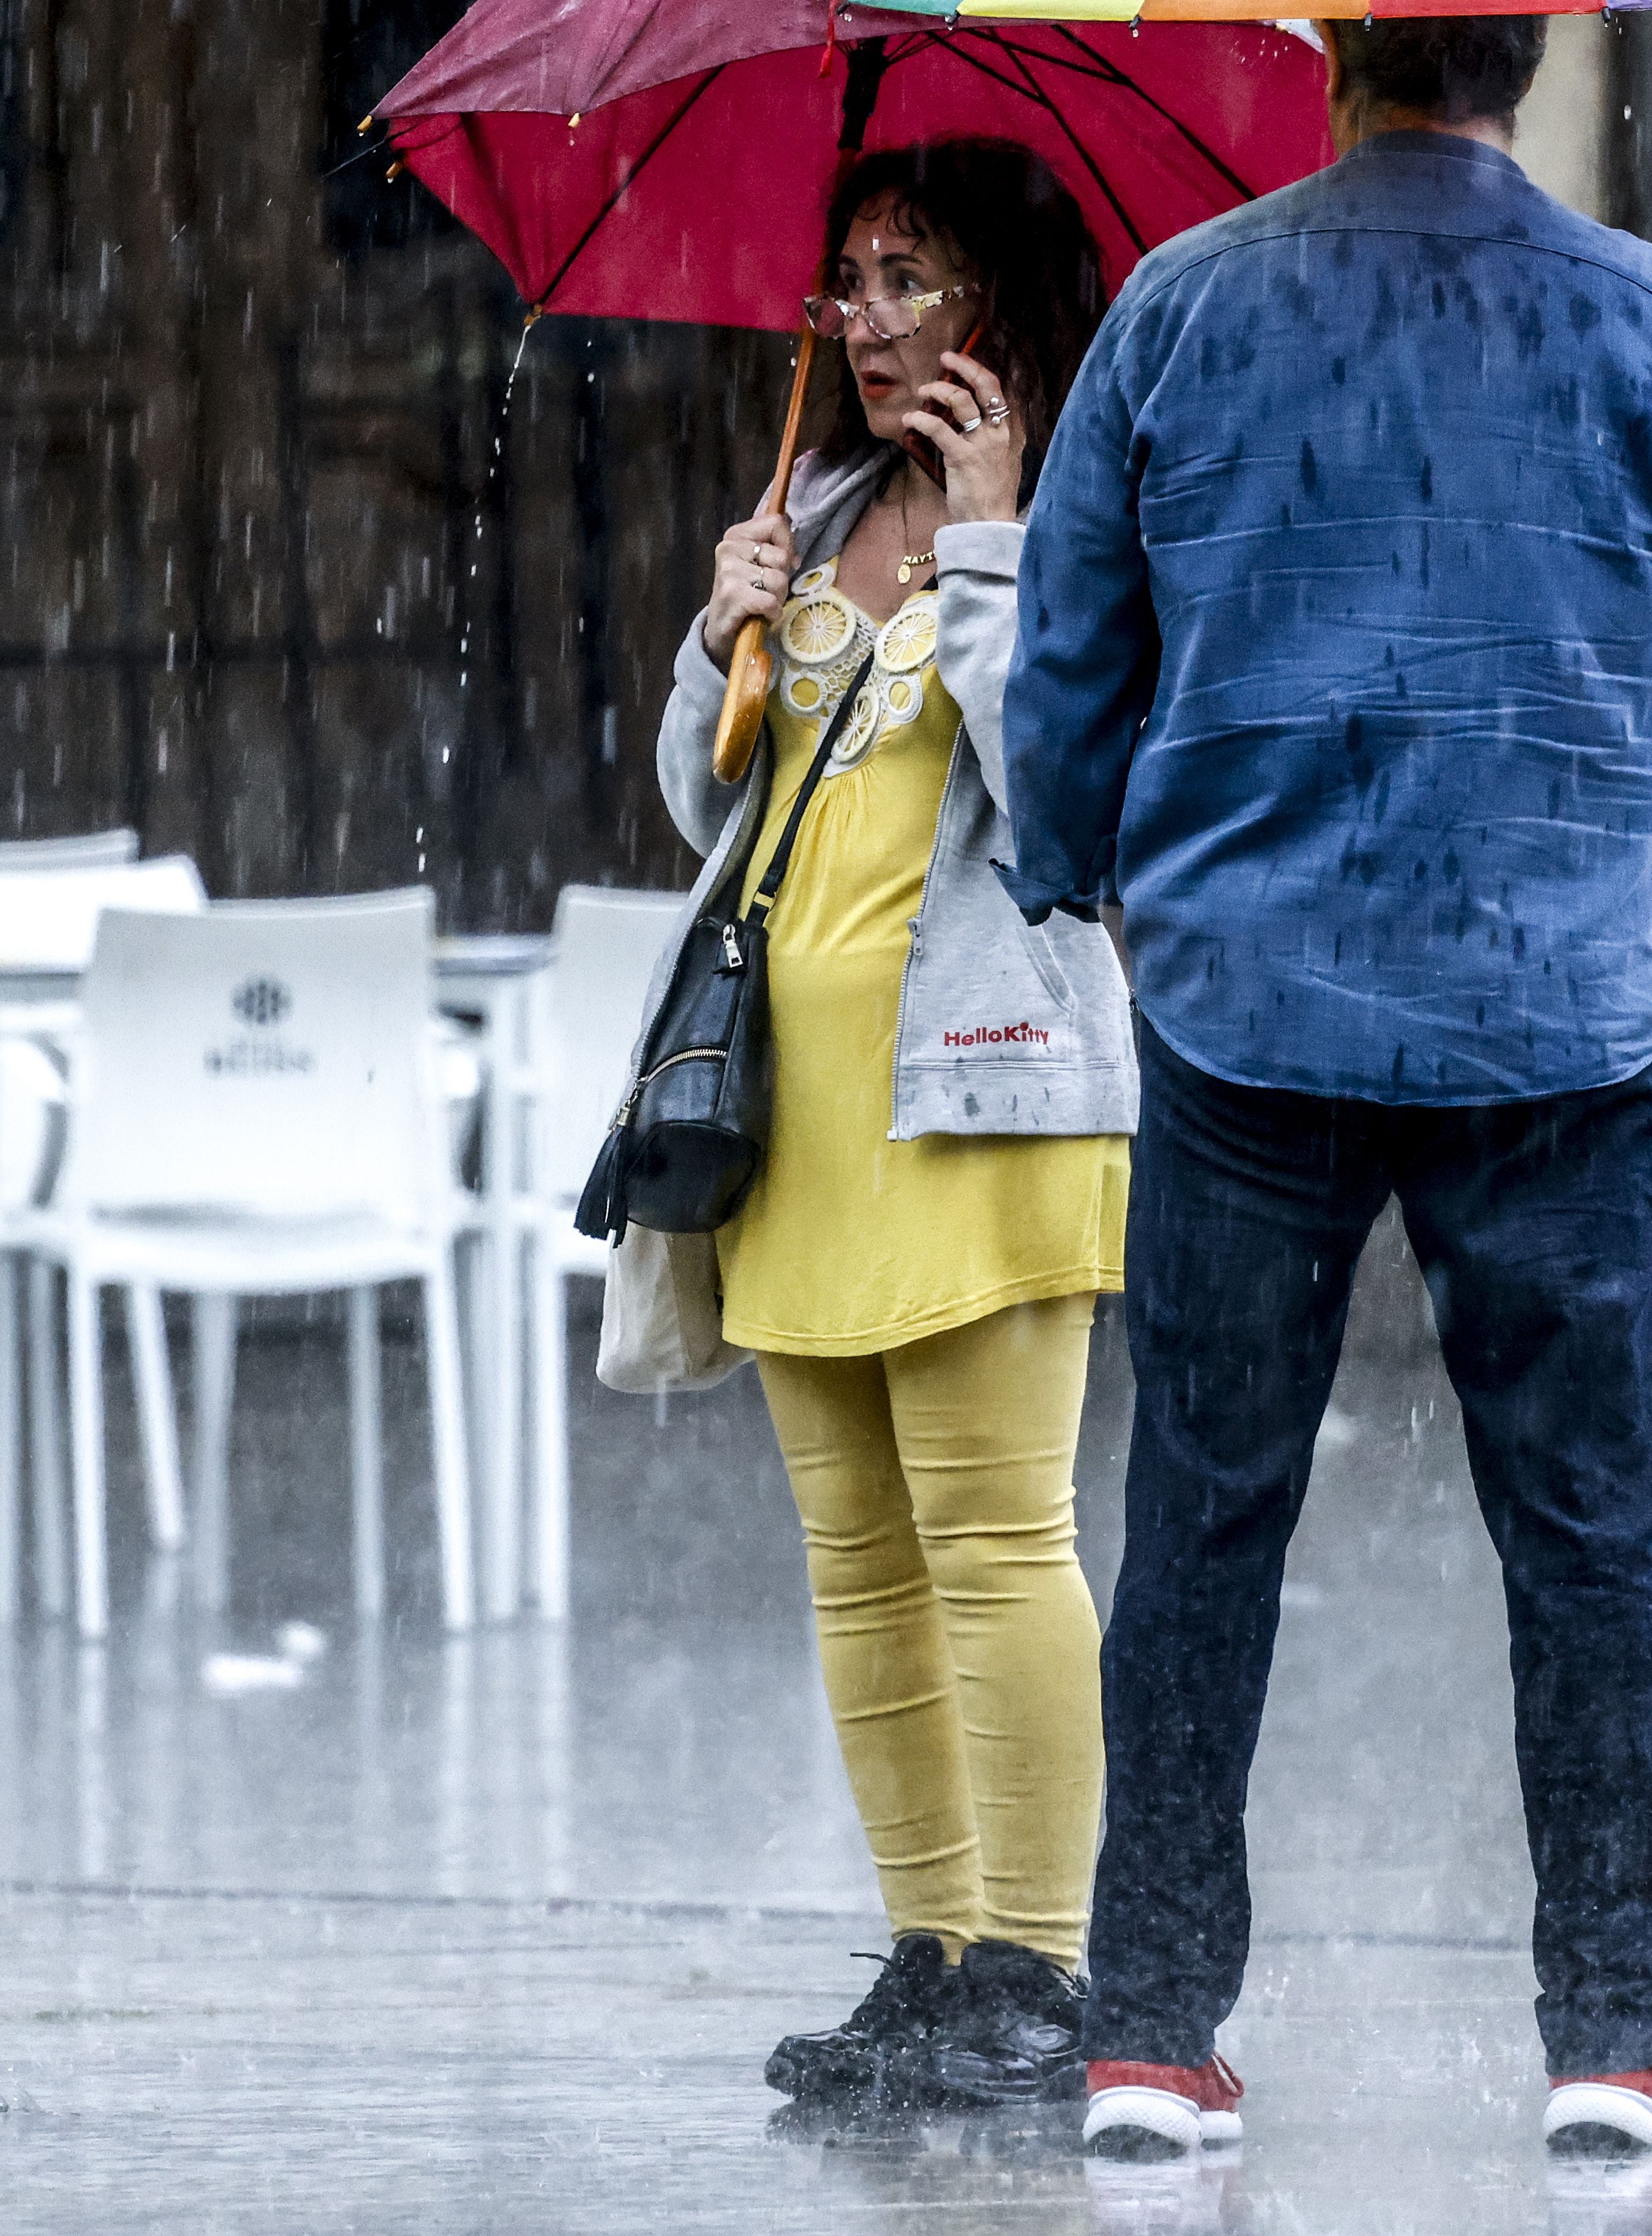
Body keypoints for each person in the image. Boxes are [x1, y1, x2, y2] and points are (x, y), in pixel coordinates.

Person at [1002, 16, 1652, 2161]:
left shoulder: (1176, 313)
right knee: (1581, 1532)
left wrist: (1088, 866)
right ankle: (1618, 2033)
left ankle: (1150, 2028)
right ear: (1527, 59)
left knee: (1200, 1517)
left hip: (1244, 1019)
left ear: (1332, 53)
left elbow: (1069, 667)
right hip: (1549, 1018)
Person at [648, 138, 1138, 2113]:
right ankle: (929, 1950)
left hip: (992, 1085)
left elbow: (1068, 806)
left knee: (997, 1539)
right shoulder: (812, 499)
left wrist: (1001, 539)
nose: (859, 319)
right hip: (797, 1116)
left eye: (907, 277)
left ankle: (1039, 1960)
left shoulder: (1091, 519)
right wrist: (720, 634)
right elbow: (710, 815)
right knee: (856, 1561)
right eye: (846, 277)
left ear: (996, 305)